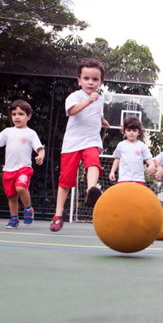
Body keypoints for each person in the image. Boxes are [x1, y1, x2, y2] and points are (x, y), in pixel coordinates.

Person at [50, 58, 109, 232]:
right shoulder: (75, 97)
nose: (90, 82)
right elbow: (72, 111)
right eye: (86, 78)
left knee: (94, 163)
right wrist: (88, 101)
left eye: (95, 79)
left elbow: (97, 113)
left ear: (100, 82)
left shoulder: (99, 98)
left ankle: (91, 190)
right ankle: (58, 214)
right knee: (65, 182)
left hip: (91, 141)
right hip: (72, 144)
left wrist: (102, 120)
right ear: (79, 80)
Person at [0, 99, 45, 229]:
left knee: (21, 188)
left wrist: (40, 156)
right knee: (12, 197)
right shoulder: (7, 132)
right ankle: (14, 219)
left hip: (24, 168)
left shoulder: (31, 133)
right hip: (8, 170)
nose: (17, 117)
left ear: (28, 116)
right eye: (14, 114)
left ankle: (28, 209)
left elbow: (40, 148)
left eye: (21, 114)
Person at [109, 116, 155, 185]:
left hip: (138, 179)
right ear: (124, 131)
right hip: (124, 178)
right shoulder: (121, 145)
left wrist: (152, 164)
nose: (131, 132)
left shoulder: (142, 146)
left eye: (134, 130)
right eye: (129, 130)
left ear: (139, 132)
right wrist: (112, 171)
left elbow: (148, 159)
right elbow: (117, 159)